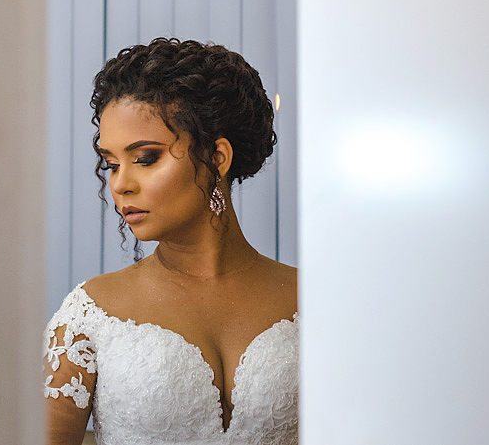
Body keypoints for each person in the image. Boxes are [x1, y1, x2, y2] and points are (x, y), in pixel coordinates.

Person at [43, 38, 299, 445]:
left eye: (144, 158)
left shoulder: (313, 305)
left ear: (217, 157)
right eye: (111, 164)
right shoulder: (89, 317)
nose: (121, 185)